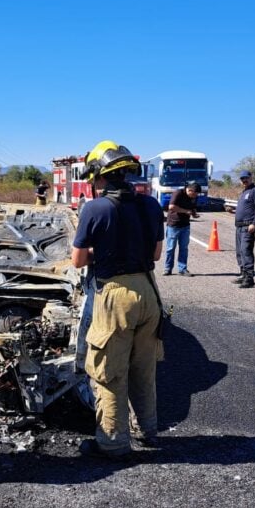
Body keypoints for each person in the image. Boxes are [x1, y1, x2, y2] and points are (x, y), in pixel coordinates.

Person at [71, 140, 165, 459]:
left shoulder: (94, 208)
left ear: (100, 175)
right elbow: (155, 253)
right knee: (143, 368)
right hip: (149, 291)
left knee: (109, 372)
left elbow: (78, 260)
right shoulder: (150, 205)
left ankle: (112, 442)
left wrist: (105, 249)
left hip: (115, 296)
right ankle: (147, 431)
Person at [230, 170, 255, 288]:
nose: (244, 180)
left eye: (246, 178)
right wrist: (233, 211)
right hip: (239, 226)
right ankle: (243, 274)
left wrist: (254, 223)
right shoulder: (244, 192)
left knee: (246, 250)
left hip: (247, 226)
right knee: (239, 252)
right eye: (242, 179)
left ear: (251, 177)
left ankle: (249, 278)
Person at [163, 181, 200, 276]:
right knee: (170, 248)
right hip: (173, 225)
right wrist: (185, 211)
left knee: (184, 248)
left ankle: (182, 269)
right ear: (190, 190)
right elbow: (171, 207)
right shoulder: (178, 193)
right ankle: (168, 268)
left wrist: (194, 214)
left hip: (185, 226)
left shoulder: (194, 196)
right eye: (194, 194)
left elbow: (193, 207)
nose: (195, 196)